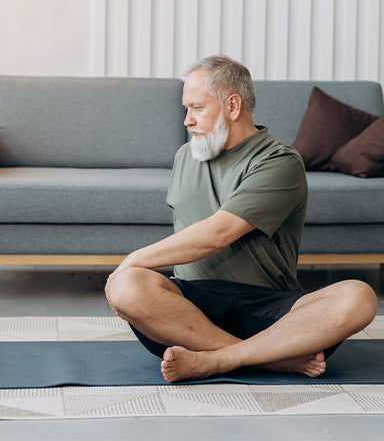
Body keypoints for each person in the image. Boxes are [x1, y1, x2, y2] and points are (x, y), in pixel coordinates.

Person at [105, 55, 378, 383]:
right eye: (186, 110)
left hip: (271, 311)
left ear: (232, 107)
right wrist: (129, 276)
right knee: (127, 287)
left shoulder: (279, 161)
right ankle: (271, 360)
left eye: (197, 108)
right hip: (193, 312)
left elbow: (217, 234)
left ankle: (217, 360)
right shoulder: (186, 156)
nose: (186, 121)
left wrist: (131, 260)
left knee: (358, 297)